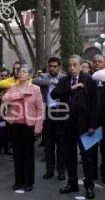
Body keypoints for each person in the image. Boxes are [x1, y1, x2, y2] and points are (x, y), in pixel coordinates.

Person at [51, 55, 99, 199]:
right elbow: (54, 94)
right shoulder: (64, 80)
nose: (72, 68)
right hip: (67, 125)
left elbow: (95, 105)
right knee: (69, 156)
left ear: (80, 65)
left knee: (87, 158)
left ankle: (89, 187)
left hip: (85, 127)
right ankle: (72, 184)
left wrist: (92, 126)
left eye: (74, 65)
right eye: (69, 65)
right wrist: (71, 88)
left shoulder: (89, 81)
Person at [2, 65, 44, 192]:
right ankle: (18, 181)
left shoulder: (35, 88)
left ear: (29, 75)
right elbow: (4, 98)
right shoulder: (12, 87)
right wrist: (19, 94)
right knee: (17, 154)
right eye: (19, 71)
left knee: (28, 154)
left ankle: (28, 182)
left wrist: (38, 127)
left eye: (24, 72)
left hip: (29, 125)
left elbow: (40, 108)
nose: (21, 73)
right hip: (14, 124)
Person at [32, 57, 66, 181]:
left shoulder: (64, 78)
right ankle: (49, 170)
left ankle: (61, 171)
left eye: (55, 66)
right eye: (50, 66)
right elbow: (33, 81)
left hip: (61, 112)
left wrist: (58, 83)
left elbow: (67, 89)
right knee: (48, 143)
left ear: (59, 67)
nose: (52, 68)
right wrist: (51, 82)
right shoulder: (44, 77)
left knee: (61, 144)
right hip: (46, 112)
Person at [91, 54, 105, 183]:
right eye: (94, 61)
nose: (96, 63)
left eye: (99, 61)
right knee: (91, 150)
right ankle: (92, 174)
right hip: (92, 123)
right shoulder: (87, 79)